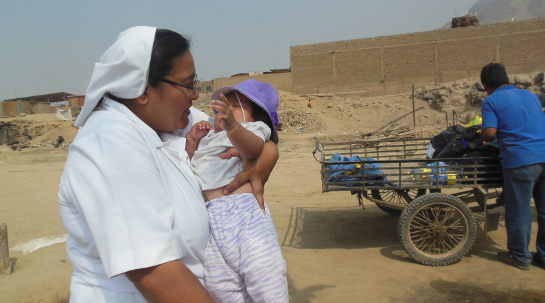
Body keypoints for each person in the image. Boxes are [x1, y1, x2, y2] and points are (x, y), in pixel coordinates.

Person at [58, 26, 278, 302]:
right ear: (142, 91)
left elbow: (253, 133)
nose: (196, 95)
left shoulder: (170, 119)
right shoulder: (110, 142)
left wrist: (264, 162)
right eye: (187, 85)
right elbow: (155, 273)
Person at [185, 79, 288, 302]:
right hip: (212, 218)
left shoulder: (253, 129)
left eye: (234, 106)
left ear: (257, 117)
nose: (224, 111)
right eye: (222, 105)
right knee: (219, 284)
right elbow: (191, 161)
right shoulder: (209, 136)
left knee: (264, 271)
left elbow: (253, 148)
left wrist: (233, 127)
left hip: (244, 213)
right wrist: (192, 141)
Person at [480, 63, 545, 271]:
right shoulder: (529, 95)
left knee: (519, 210)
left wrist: (482, 133)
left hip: (520, 161)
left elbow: (489, 134)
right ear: (506, 79)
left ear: (485, 85)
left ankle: (519, 256)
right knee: (544, 211)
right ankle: (543, 256)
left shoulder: (491, 101)